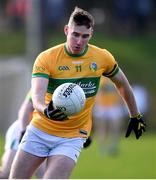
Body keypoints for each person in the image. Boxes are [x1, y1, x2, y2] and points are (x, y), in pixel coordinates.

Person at [9, 6, 146, 179]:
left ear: (91, 35)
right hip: (40, 130)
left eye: (84, 36)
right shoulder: (47, 58)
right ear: (67, 30)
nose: (79, 41)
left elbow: (123, 85)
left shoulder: (102, 57)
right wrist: (46, 110)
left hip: (72, 136)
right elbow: (36, 95)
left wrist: (135, 116)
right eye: (75, 34)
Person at [0, 90, 45, 178]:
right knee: (6, 174)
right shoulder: (41, 85)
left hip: (41, 135)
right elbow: (24, 110)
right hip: (22, 131)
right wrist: (24, 132)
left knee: (44, 175)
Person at [93, 77, 124, 155]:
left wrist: (120, 103)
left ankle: (113, 146)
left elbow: (120, 91)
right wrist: (98, 104)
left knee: (115, 127)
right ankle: (102, 148)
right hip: (102, 106)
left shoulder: (116, 77)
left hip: (114, 106)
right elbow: (98, 93)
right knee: (102, 128)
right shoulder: (102, 78)